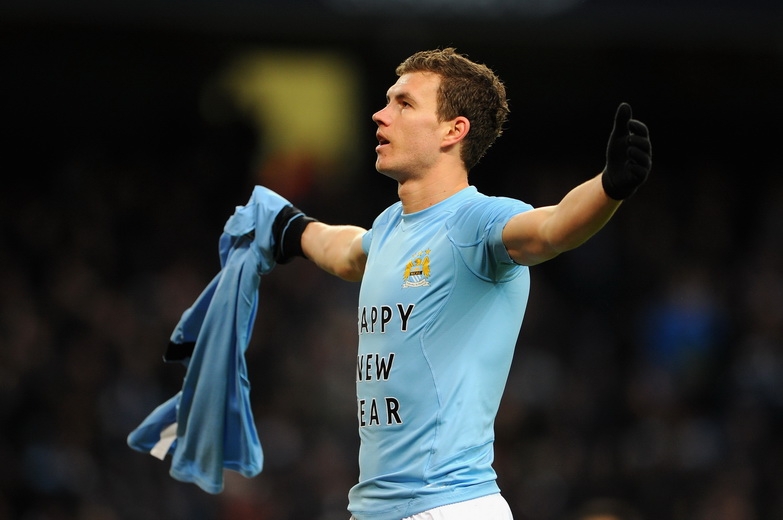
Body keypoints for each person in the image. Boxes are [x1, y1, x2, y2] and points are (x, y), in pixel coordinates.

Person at [246, 48, 650, 519]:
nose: (380, 114)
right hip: (376, 510)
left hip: (448, 505)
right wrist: (291, 227)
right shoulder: (390, 227)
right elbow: (346, 251)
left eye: (404, 104)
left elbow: (551, 228)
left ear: (453, 131)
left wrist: (608, 187)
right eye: (387, 101)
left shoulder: (477, 220)